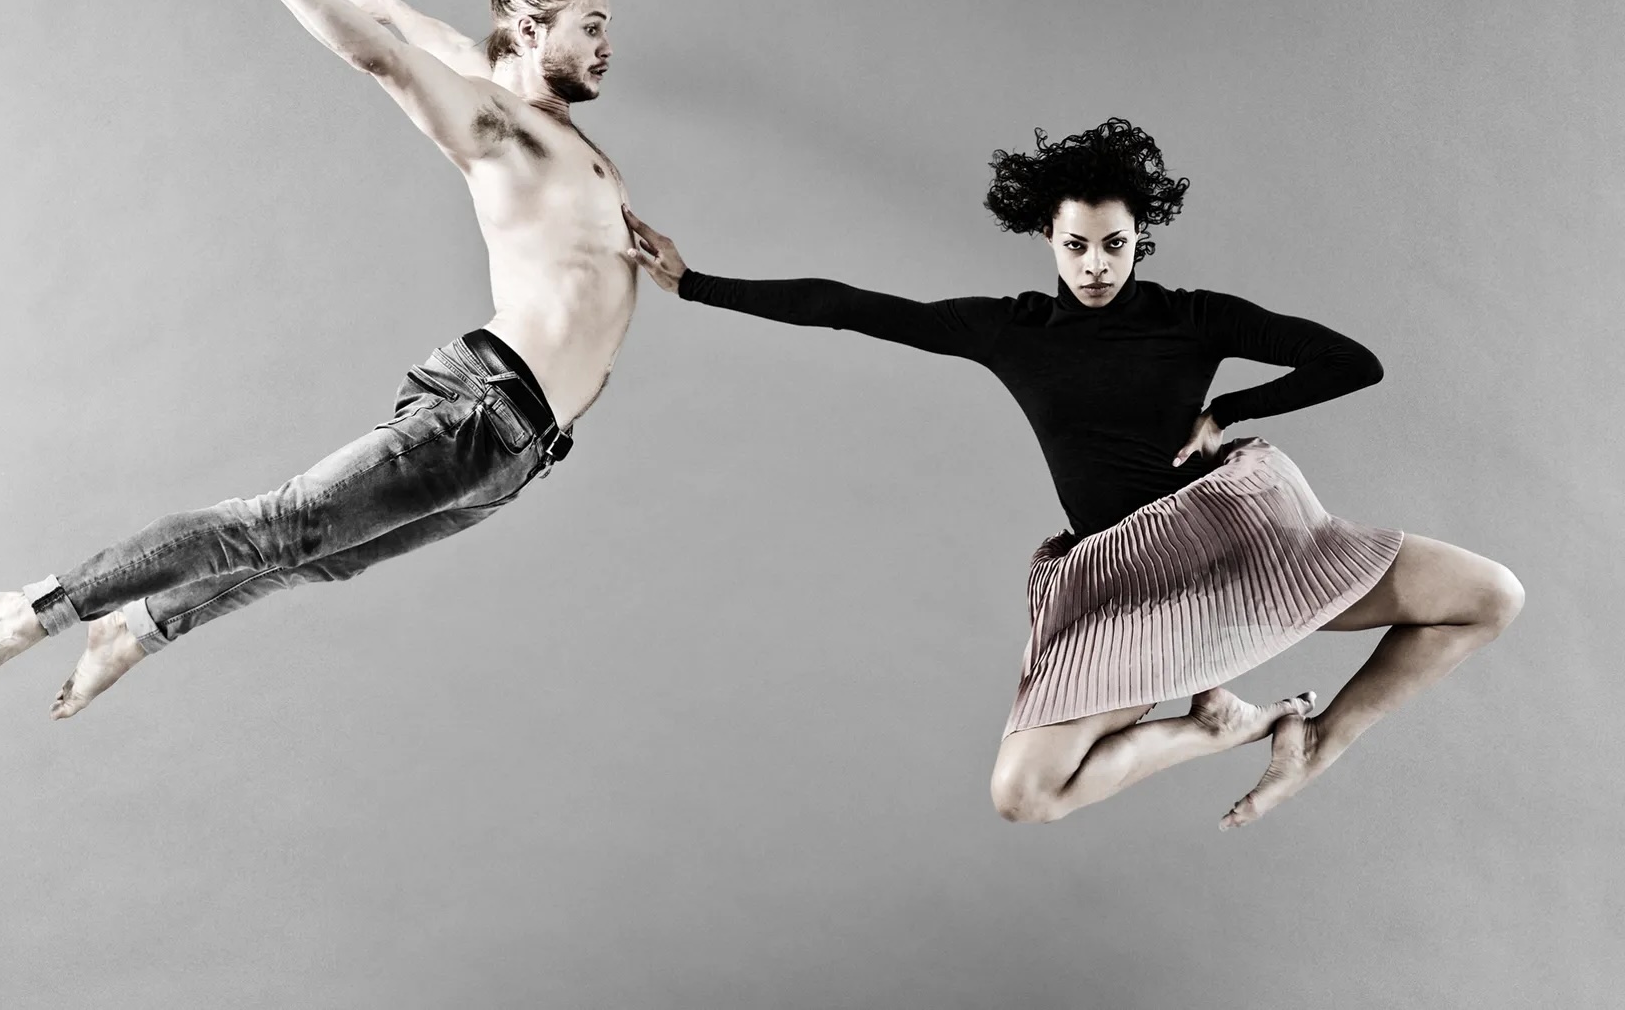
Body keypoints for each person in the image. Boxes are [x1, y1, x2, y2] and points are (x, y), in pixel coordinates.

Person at [622, 118, 1524, 830]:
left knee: (1490, 596)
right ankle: (1213, 725)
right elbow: (849, 307)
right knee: (1023, 794)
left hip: (1240, 545)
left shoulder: (1192, 316)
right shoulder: (1008, 329)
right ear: (1046, 237)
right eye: (1077, 246)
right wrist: (696, 283)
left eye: (1115, 245)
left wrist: (1229, 411)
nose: (1096, 266)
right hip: (1125, 589)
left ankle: (1318, 742)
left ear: (1141, 239)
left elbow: (1352, 361)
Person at [0, 0, 637, 720]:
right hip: (485, 411)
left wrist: (396, 7)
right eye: (592, 26)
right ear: (533, 31)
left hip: (523, 450)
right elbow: (386, 60)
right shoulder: (499, 125)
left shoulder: (541, 118)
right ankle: (31, 610)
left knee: (323, 555)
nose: (607, 46)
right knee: (278, 525)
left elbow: (454, 47)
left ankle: (137, 627)